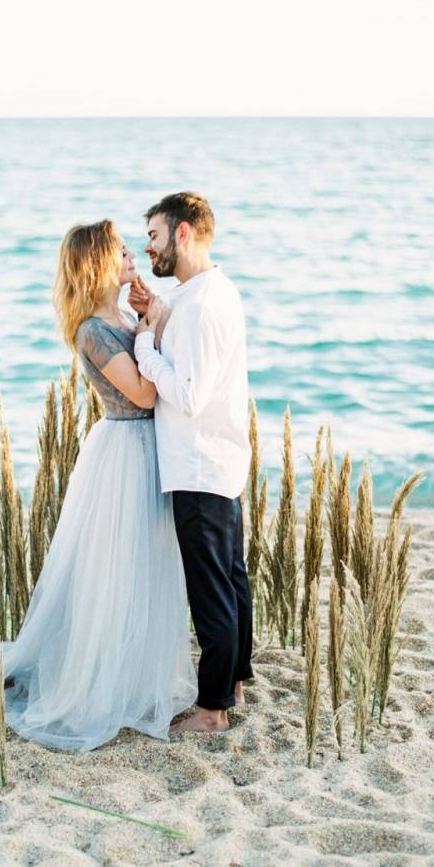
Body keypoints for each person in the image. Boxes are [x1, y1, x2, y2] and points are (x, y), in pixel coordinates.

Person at [0, 220, 197, 751]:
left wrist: (145, 320)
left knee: (149, 567)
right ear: (99, 263)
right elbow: (142, 396)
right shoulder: (93, 329)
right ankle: (98, 681)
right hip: (124, 455)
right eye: (122, 251)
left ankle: (134, 674)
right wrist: (146, 329)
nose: (133, 255)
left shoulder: (122, 317)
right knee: (115, 570)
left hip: (149, 451)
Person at [129, 192, 253, 734]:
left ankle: (211, 711)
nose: (147, 246)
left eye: (154, 235)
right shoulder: (208, 291)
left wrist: (143, 350)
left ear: (182, 234)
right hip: (219, 461)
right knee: (231, 580)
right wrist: (155, 312)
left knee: (211, 595)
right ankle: (235, 682)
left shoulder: (201, 304)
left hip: (198, 466)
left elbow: (188, 391)